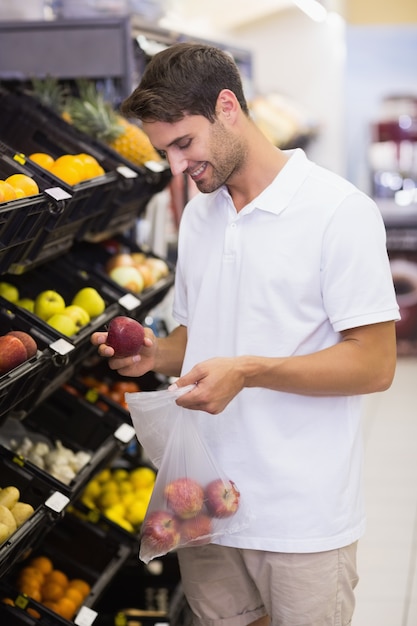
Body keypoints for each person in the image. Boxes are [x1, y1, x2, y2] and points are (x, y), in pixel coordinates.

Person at [91, 42, 400, 626]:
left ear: (227, 106)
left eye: (184, 144)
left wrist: (251, 371)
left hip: (301, 514)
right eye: (166, 153)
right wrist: (154, 355)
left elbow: (374, 364)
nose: (178, 167)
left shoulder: (338, 211)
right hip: (204, 499)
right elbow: (197, 335)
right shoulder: (203, 215)